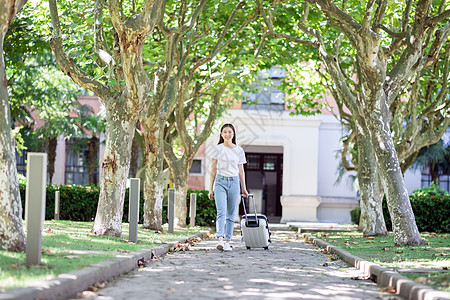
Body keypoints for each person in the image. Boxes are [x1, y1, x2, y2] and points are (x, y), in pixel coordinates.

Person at [208, 123, 249, 251]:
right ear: (221, 134)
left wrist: (244, 188)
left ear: (233, 134)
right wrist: (211, 188)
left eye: (229, 132)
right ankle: (220, 239)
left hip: (234, 182)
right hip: (220, 182)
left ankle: (227, 241)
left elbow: (241, 170)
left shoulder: (239, 150)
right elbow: (213, 169)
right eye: (225, 132)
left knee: (231, 214)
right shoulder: (217, 149)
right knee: (221, 212)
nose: (227, 134)